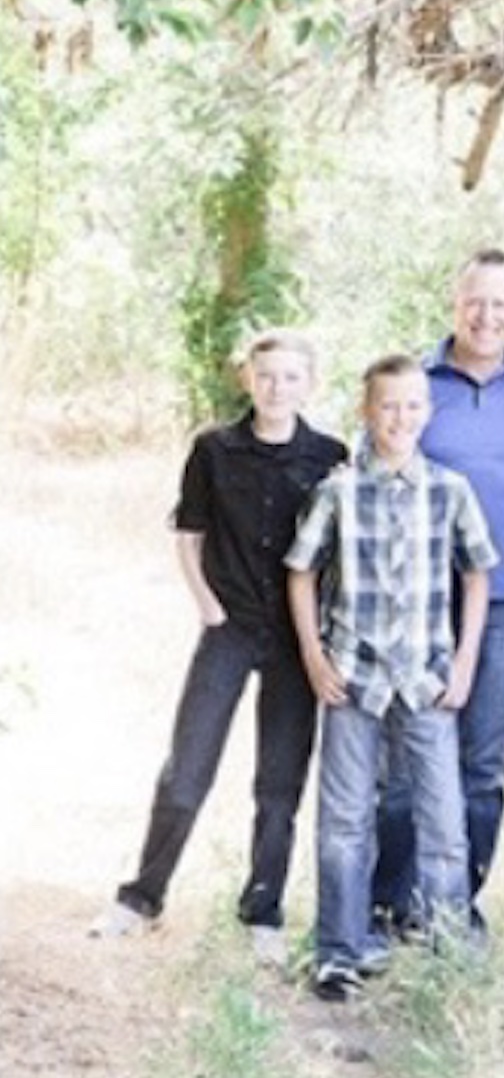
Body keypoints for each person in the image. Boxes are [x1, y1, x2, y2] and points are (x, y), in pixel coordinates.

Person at [90, 329, 347, 967]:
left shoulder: (330, 456)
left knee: (280, 780)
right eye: (266, 376)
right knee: (188, 766)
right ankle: (142, 897)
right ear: (247, 379)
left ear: (309, 383)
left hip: (294, 638)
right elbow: (189, 531)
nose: (277, 388)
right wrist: (206, 604)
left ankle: (262, 910)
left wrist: (325, 633)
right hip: (229, 625)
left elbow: (339, 548)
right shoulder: (213, 449)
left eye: (291, 377)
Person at [286, 354, 498, 1002]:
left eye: (412, 406)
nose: (400, 417)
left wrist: (463, 662)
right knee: (345, 819)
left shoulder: (451, 490)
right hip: (351, 677)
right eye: (387, 406)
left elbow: (477, 573)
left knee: (443, 822)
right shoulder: (339, 491)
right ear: (366, 411)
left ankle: (445, 952)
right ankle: (340, 953)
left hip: (428, 679)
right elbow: (301, 571)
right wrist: (314, 657)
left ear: (427, 413)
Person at [372, 249, 504, 932]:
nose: (487, 316)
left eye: (501, 304)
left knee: (482, 764)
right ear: (455, 303)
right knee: (405, 765)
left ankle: (452, 906)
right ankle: (387, 903)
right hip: (415, 602)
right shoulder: (417, 381)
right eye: (476, 301)